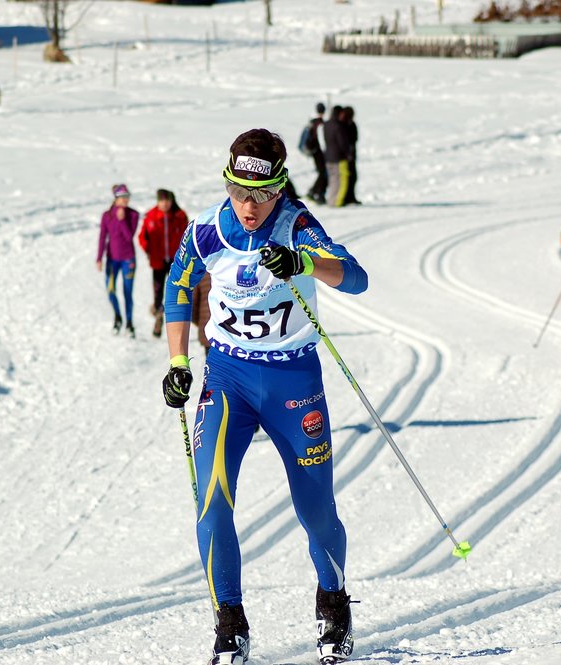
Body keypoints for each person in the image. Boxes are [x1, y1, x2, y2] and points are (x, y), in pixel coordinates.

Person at [160, 128, 368, 665]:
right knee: (211, 504)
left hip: (294, 381)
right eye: (238, 192)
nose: (249, 207)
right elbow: (177, 286)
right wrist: (179, 361)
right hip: (228, 378)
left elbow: (356, 278)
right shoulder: (206, 227)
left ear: (280, 189)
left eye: (262, 194)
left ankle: (334, 605)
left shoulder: (297, 225)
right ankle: (229, 624)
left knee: (316, 511)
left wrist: (303, 263)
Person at [139, 189, 189, 338]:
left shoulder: (180, 216)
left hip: (176, 261)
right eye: (162, 201)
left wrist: (184, 253)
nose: (165, 204)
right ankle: (158, 317)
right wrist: (149, 251)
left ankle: (176, 323)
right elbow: (143, 237)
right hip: (158, 261)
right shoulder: (151, 216)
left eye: (167, 201)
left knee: (175, 292)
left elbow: (187, 236)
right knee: (158, 291)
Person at [96, 183, 139, 337]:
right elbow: (102, 237)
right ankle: (118, 317)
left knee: (128, 292)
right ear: (116, 198)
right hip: (112, 259)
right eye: (122, 197)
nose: (126, 200)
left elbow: (129, 237)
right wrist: (99, 257)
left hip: (128, 259)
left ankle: (129, 324)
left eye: (127, 197)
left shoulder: (133, 215)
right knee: (110, 290)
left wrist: (122, 221)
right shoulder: (107, 216)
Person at [323, 105, 351, 207]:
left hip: (328, 157)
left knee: (332, 180)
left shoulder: (326, 124)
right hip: (339, 158)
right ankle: (337, 202)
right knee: (340, 181)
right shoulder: (338, 126)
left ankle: (331, 200)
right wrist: (348, 153)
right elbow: (343, 143)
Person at [305, 102, 328, 204]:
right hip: (319, 152)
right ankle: (316, 192)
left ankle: (314, 191)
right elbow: (322, 141)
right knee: (323, 172)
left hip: (314, 151)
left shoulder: (312, 122)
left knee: (322, 172)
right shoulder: (320, 123)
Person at [342, 106, 361, 205]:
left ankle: (351, 197)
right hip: (347, 156)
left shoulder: (349, 124)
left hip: (350, 156)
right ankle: (348, 197)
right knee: (350, 177)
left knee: (353, 177)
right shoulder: (345, 125)